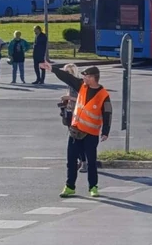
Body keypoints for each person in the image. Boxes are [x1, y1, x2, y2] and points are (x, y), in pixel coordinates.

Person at [45, 63, 111, 198]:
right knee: (71, 160)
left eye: (86, 76)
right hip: (75, 130)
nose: (84, 78)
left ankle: (93, 187)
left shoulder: (103, 95)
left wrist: (105, 131)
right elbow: (67, 78)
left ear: (93, 78)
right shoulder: (82, 86)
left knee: (91, 162)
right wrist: (52, 69)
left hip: (91, 133)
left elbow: (108, 113)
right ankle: (70, 187)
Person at [59, 63, 87, 173]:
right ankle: (78, 160)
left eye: (66, 73)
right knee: (74, 139)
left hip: (78, 114)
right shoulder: (70, 84)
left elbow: (82, 99)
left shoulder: (78, 83)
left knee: (77, 139)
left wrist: (68, 97)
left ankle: (83, 162)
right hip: (71, 112)